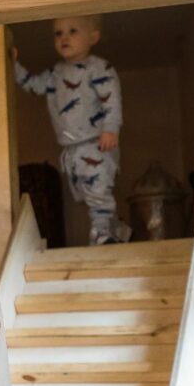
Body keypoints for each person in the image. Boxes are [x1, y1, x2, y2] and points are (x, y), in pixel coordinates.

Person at [15, 15, 131, 245]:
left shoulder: (98, 67)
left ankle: (102, 234)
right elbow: (34, 86)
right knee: (86, 195)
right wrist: (13, 65)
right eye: (58, 33)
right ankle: (117, 230)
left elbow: (111, 99)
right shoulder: (55, 73)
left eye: (73, 31)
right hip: (71, 149)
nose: (64, 37)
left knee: (98, 191)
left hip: (95, 143)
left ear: (93, 37)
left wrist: (111, 127)